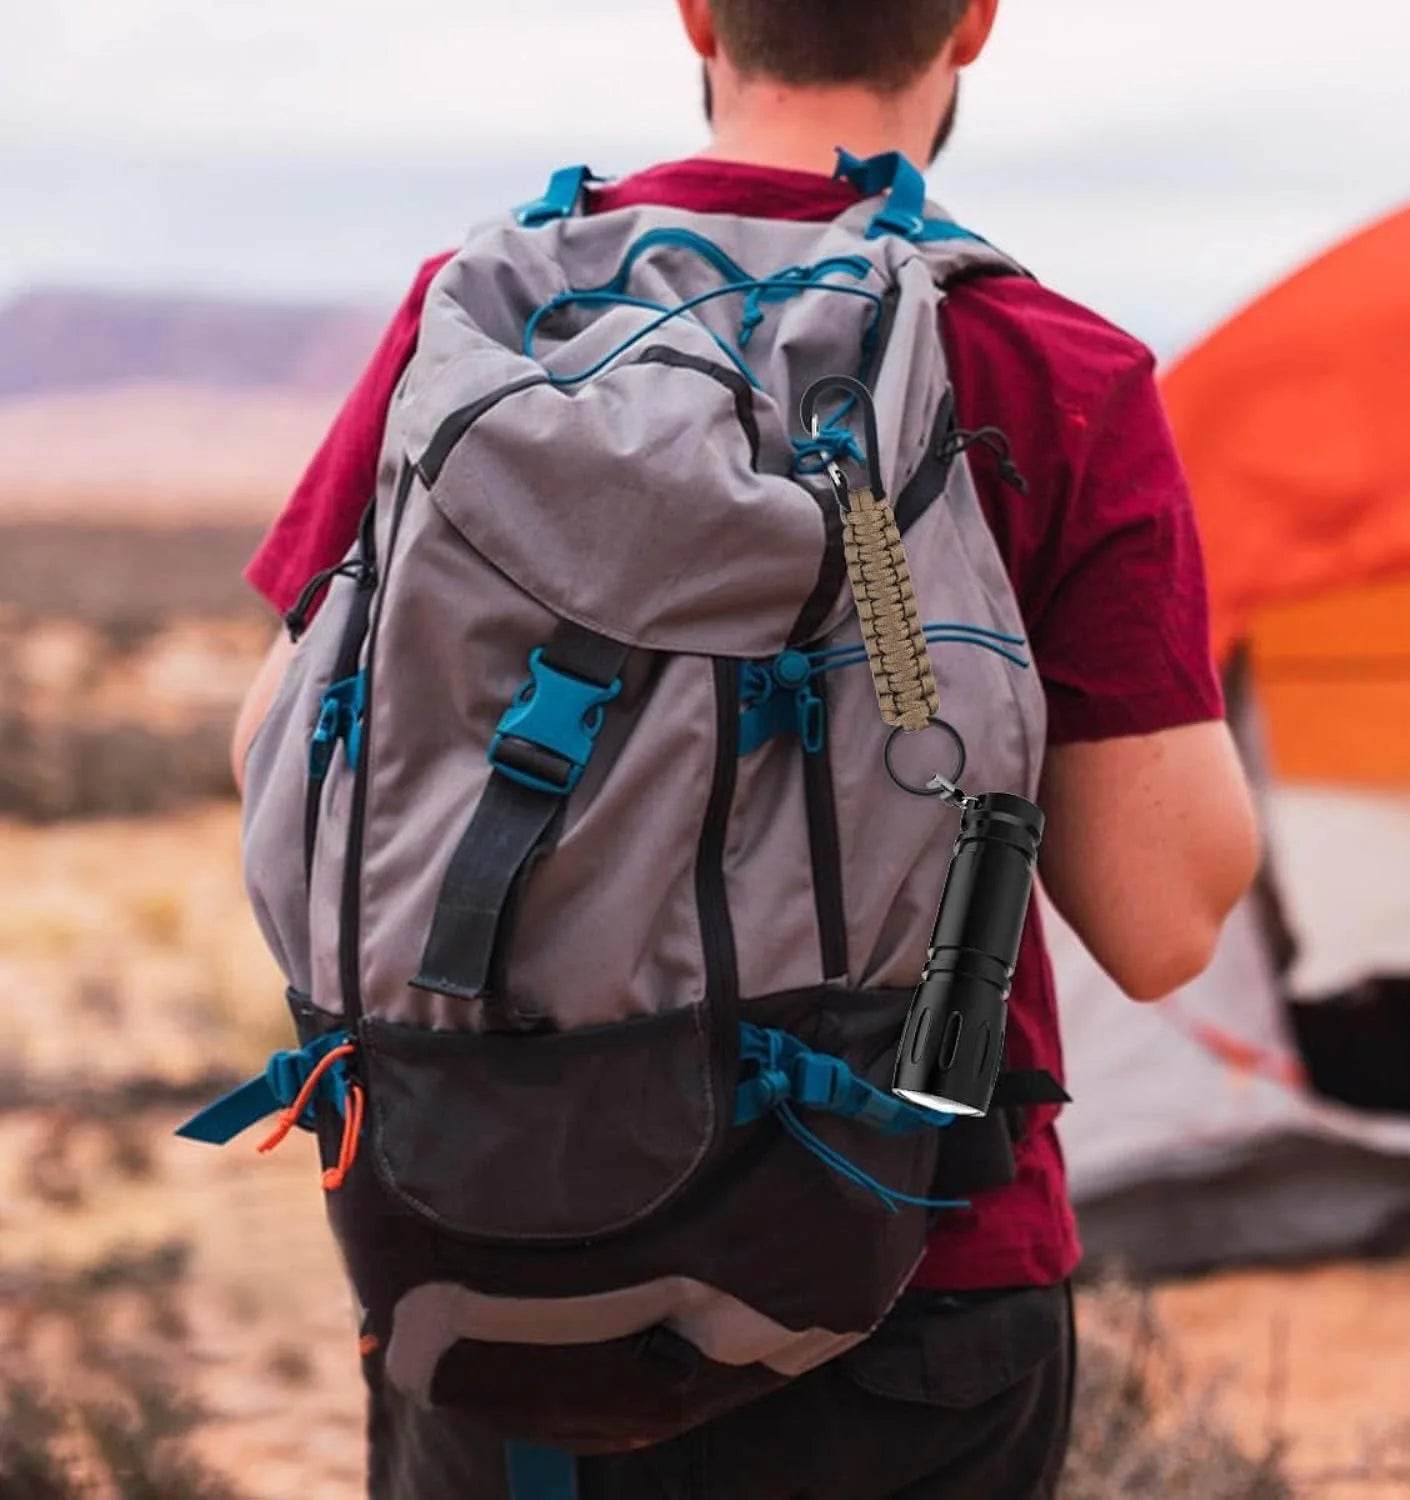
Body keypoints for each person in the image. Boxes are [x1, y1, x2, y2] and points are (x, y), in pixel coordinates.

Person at [232, 2, 1259, 1494]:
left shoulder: (472, 323)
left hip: (479, 1239)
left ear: (699, 13)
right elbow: (1165, 921)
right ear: (971, 25)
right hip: (906, 1273)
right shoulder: (1044, 361)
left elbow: (274, 746)